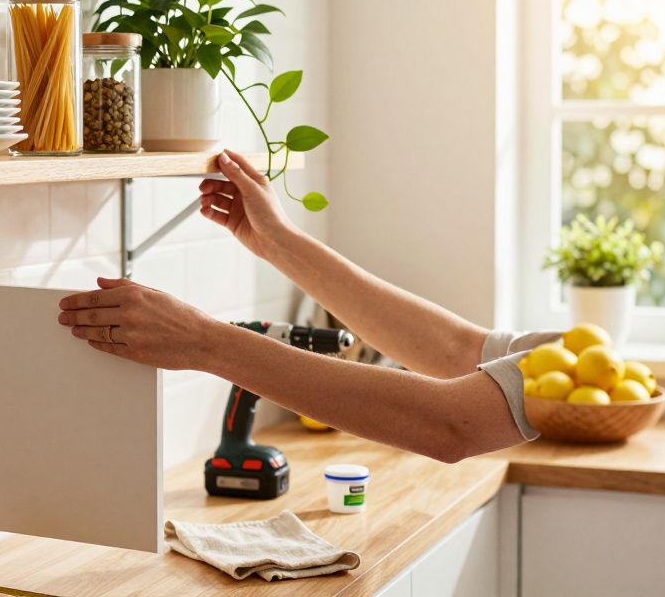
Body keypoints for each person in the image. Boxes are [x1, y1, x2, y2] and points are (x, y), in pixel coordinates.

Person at [57, 150, 554, 463]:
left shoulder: (590, 357)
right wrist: (280, 242)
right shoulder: (573, 350)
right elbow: (460, 350)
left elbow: (450, 423)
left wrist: (203, 341)